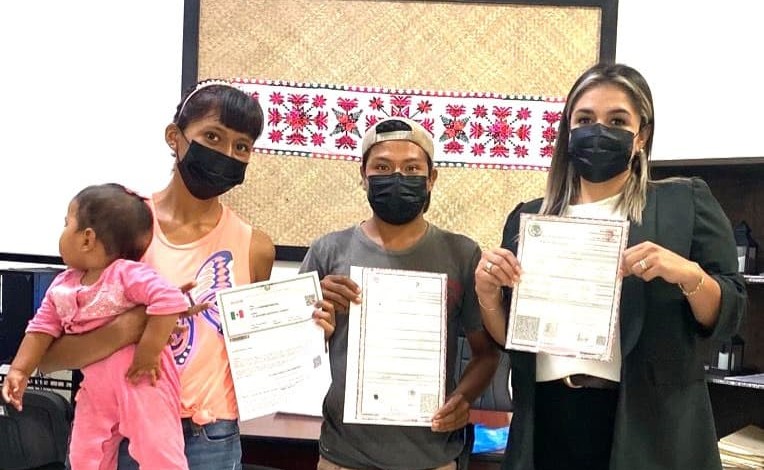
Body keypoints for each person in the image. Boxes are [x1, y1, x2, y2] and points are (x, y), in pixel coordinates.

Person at [36, 80, 336, 470]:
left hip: (210, 438)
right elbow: (48, 357)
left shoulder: (255, 248)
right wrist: (134, 327)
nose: (226, 154)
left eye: (242, 146)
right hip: (120, 433)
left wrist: (307, 334)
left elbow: (250, 354)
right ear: (174, 137)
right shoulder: (121, 227)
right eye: (213, 137)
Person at [475, 63, 747, 470]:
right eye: (585, 119)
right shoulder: (530, 220)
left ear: (642, 135)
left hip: (649, 427)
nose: (598, 131)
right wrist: (487, 295)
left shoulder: (684, 204)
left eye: (617, 120)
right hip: (549, 419)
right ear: (568, 130)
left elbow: (730, 314)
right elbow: (513, 338)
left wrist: (688, 274)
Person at [300, 116, 500, 470]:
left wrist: (463, 398)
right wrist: (315, 319)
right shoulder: (328, 251)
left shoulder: (462, 254)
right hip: (343, 456)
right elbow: (292, 353)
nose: (397, 177)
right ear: (363, 176)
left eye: (411, 168)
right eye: (382, 167)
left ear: (431, 178)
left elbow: (486, 354)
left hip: (432, 456)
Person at [2, 183, 189, 470]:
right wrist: (19, 370)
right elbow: (40, 329)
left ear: (87, 239)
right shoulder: (62, 286)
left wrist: (148, 353)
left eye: (67, 223)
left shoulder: (127, 273)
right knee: (84, 454)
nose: (62, 231)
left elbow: (170, 300)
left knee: (158, 451)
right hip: (96, 388)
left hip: (142, 382)